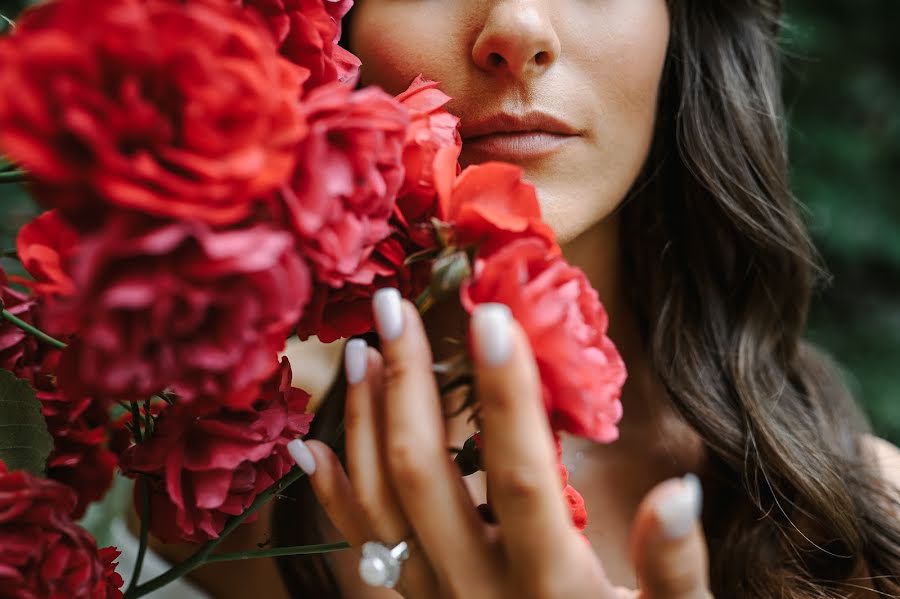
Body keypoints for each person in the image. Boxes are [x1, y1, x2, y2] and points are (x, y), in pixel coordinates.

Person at [272, 1, 900, 597]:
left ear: (682, 28)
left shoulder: (869, 527)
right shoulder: (227, 498)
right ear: (327, 35)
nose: (518, 27)